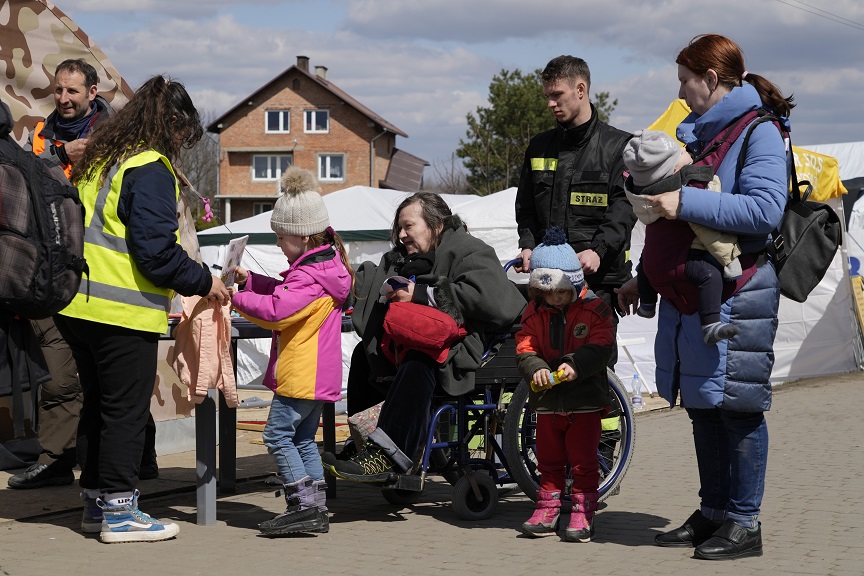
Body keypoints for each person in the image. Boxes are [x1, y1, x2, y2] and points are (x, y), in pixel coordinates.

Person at [615, 34, 792, 560]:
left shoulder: (758, 133)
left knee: (738, 409)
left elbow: (764, 211)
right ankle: (714, 511)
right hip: (698, 296)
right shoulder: (704, 135)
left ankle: (745, 522)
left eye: (686, 82)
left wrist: (681, 200)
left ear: (711, 80)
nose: (683, 94)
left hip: (740, 292)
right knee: (704, 408)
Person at [54, 75, 230, 544]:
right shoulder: (150, 167)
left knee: (98, 407)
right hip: (121, 313)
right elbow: (156, 253)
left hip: (78, 307)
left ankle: (95, 504)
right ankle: (120, 512)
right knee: (126, 413)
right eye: (182, 134)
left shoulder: (101, 161)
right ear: (171, 123)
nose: (181, 144)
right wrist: (205, 280)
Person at [10, 59, 157, 489]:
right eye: (58, 90)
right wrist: (59, 155)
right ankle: (62, 461)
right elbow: (22, 180)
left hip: (101, 274)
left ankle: (135, 462)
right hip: (52, 270)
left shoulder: (120, 135)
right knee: (70, 375)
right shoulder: (41, 134)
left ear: (93, 92)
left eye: (72, 91)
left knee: (114, 383)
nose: (64, 99)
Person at [323, 192, 525, 481]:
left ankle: (387, 456)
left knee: (420, 359)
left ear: (436, 225)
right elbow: (364, 284)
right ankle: (365, 445)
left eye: (409, 226)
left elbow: (491, 299)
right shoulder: (399, 259)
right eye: (399, 228)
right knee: (364, 356)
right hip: (407, 343)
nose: (402, 235)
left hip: (462, 347)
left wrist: (419, 294)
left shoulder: (470, 250)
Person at [230, 167, 352, 535]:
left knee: (277, 436)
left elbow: (277, 310)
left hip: (302, 372)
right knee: (302, 439)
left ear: (301, 235)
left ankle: (300, 506)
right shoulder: (323, 268)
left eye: (281, 237)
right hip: (318, 374)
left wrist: (235, 297)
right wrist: (250, 280)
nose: (279, 245)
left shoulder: (308, 276)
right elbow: (284, 291)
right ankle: (316, 508)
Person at [514, 54, 634, 367]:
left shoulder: (619, 146)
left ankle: (608, 419)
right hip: (547, 281)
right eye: (548, 97)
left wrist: (597, 250)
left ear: (580, 90)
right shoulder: (538, 146)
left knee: (593, 370)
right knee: (544, 370)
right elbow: (525, 207)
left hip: (598, 281)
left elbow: (624, 210)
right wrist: (527, 244)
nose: (551, 104)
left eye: (558, 95)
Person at [515, 227, 615, 542]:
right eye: (548, 293)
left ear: (573, 284)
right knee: (548, 459)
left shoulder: (595, 308)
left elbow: (602, 346)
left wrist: (576, 364)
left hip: (584, 399)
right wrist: (536, 369)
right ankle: (547, 508)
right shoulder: (533, 311)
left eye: (561, 292)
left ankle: (583, 511)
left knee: (584, 461)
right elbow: (525, 345)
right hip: (547, 402)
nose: (555, 299)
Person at [622, 129, 741, 344]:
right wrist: (729, 261)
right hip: (681, 266)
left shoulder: (643, 202)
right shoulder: (681, 198)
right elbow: (708, 233)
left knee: (648, 263)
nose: (689, 152)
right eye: (683, 151)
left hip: (651, 267)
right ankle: (711, 324)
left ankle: (647, 305)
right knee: (709, 276)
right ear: (674, 168)